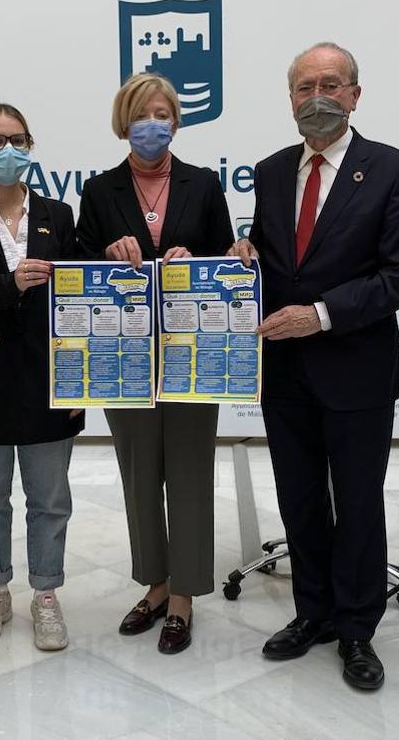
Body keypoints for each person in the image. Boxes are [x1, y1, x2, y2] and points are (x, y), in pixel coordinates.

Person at [230, 42, 399, 690]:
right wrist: (244, 257)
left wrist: (320, 313)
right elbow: (278, 258)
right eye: (305, 86)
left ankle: (357, 628)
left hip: (357, 367)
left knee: (360, 504)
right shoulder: (271, 168)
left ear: (355, 95)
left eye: (332, 84)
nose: (318, 96)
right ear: (289, 99)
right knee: (300, 499)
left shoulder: (394, 170)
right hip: (284, 372)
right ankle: (311, 613)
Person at [77, 72, 233, 655]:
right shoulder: (99, 191)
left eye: (164, 113)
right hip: (125, 358)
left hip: (195, 354)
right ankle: (155, 585)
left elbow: (228, 261)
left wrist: (198, 260)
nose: (153, 124)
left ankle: (186, 596)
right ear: (126, 120)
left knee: (190, 471)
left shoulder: (204, 184)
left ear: (176, 121)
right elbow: (76, 269)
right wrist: (104, 255)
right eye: (143, 113)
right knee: (139, 473)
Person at [0, 103, 84, 651]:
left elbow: (81, 294)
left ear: (30, 145)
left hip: (48, 381)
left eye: (14, 139)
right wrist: (10, 285)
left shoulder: (60, 213)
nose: (5, 149)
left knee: (50, 499)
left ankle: (47, 595)